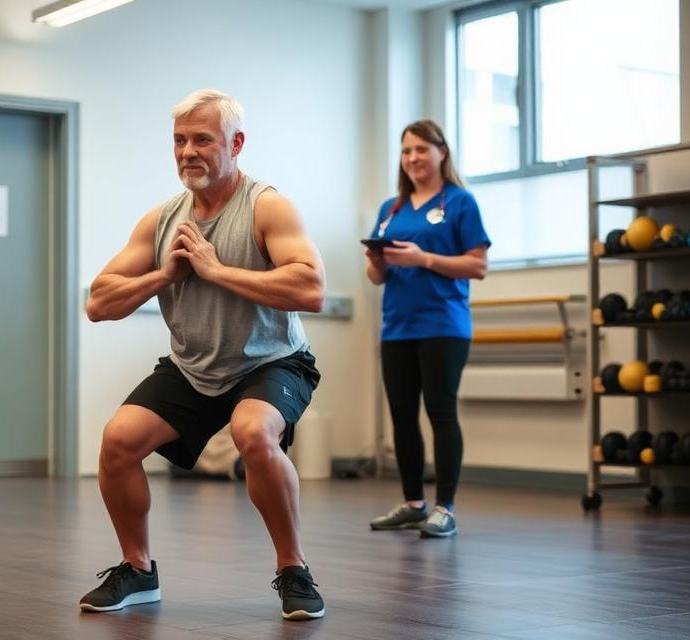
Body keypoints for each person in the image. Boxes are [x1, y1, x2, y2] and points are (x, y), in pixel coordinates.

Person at [81, 89, 327, 620]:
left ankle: (294, 569)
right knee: (118, 441)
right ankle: (138, 570)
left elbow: (311, 288)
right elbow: (98, 302)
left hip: (271, 361)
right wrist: (163, 275)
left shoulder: (267, 206)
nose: (188, 152)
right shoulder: (162, 220)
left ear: (235, 144)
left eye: (202, 140)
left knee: (253, 434)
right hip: (193, 367)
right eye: (179, 141)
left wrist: (217, 272)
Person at [364, 119, 489, 539]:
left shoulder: (460, 202)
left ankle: (445, 508)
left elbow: (478, 265)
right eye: (406, 151)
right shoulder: (391, 208)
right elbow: (376, 278)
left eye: (421, 149)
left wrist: (425, 259)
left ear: (442, 152)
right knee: (402, 416)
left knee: (440, 411)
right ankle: (414, 504)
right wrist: (377, 262)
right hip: (397, 328)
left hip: (443, 326)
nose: (413, 158)